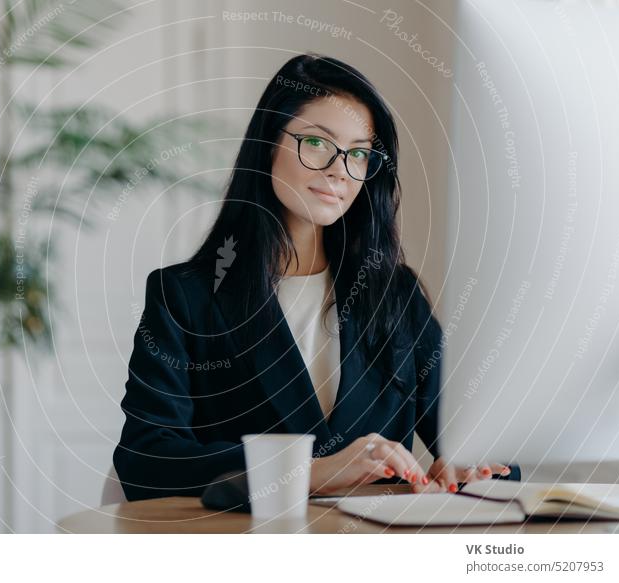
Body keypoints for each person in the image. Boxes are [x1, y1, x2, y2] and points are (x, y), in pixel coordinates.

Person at [114, 53, 518, 502]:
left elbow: (482, 441)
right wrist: (308, 472)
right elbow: (146, 460)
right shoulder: (185, 297)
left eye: (359, 153)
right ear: (269, 143)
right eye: (318, 143)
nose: (338, 170)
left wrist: (474, 464)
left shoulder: (395, 295)